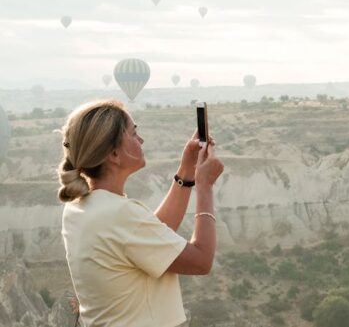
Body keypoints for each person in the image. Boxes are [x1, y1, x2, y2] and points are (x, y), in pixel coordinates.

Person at [57, 99, 224, 327]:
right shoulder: (119, 214)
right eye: (134, 134)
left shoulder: (80, 207)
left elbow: (151, 236)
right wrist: (205, 188)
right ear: (114, 154)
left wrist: (187, 172)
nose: (141, 140)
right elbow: (201, 261)